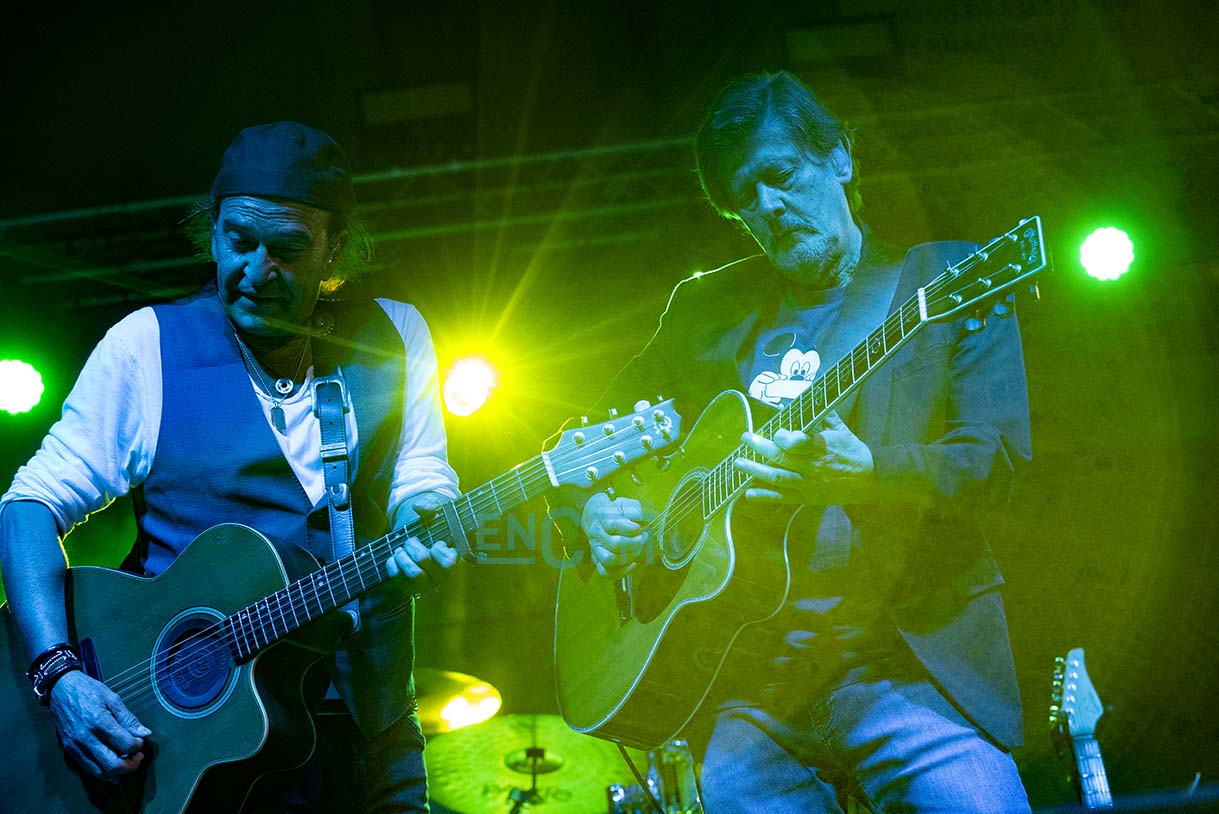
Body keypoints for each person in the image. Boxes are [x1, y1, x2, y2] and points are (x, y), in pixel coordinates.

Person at [572, 71, 1033, 811]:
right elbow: (586, 440)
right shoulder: (704, 312)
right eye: (743, 199)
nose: (766, 207)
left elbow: (996, 464)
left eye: (780, 176)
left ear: (839, 158)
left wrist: (869, 474)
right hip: (748, 695)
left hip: (907, 671)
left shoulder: (941, 279)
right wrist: (594, 508)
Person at [0, 121, 459, 812]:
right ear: (212, 230)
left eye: (288, 250)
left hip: (371, 722)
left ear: (334, 249)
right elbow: (28, 507)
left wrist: (425, 520)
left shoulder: (396, 334)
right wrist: (59, 674)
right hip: (196, 756)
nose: (256, 271)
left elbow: (421, 475)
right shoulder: (147, 347)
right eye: (239, 241)